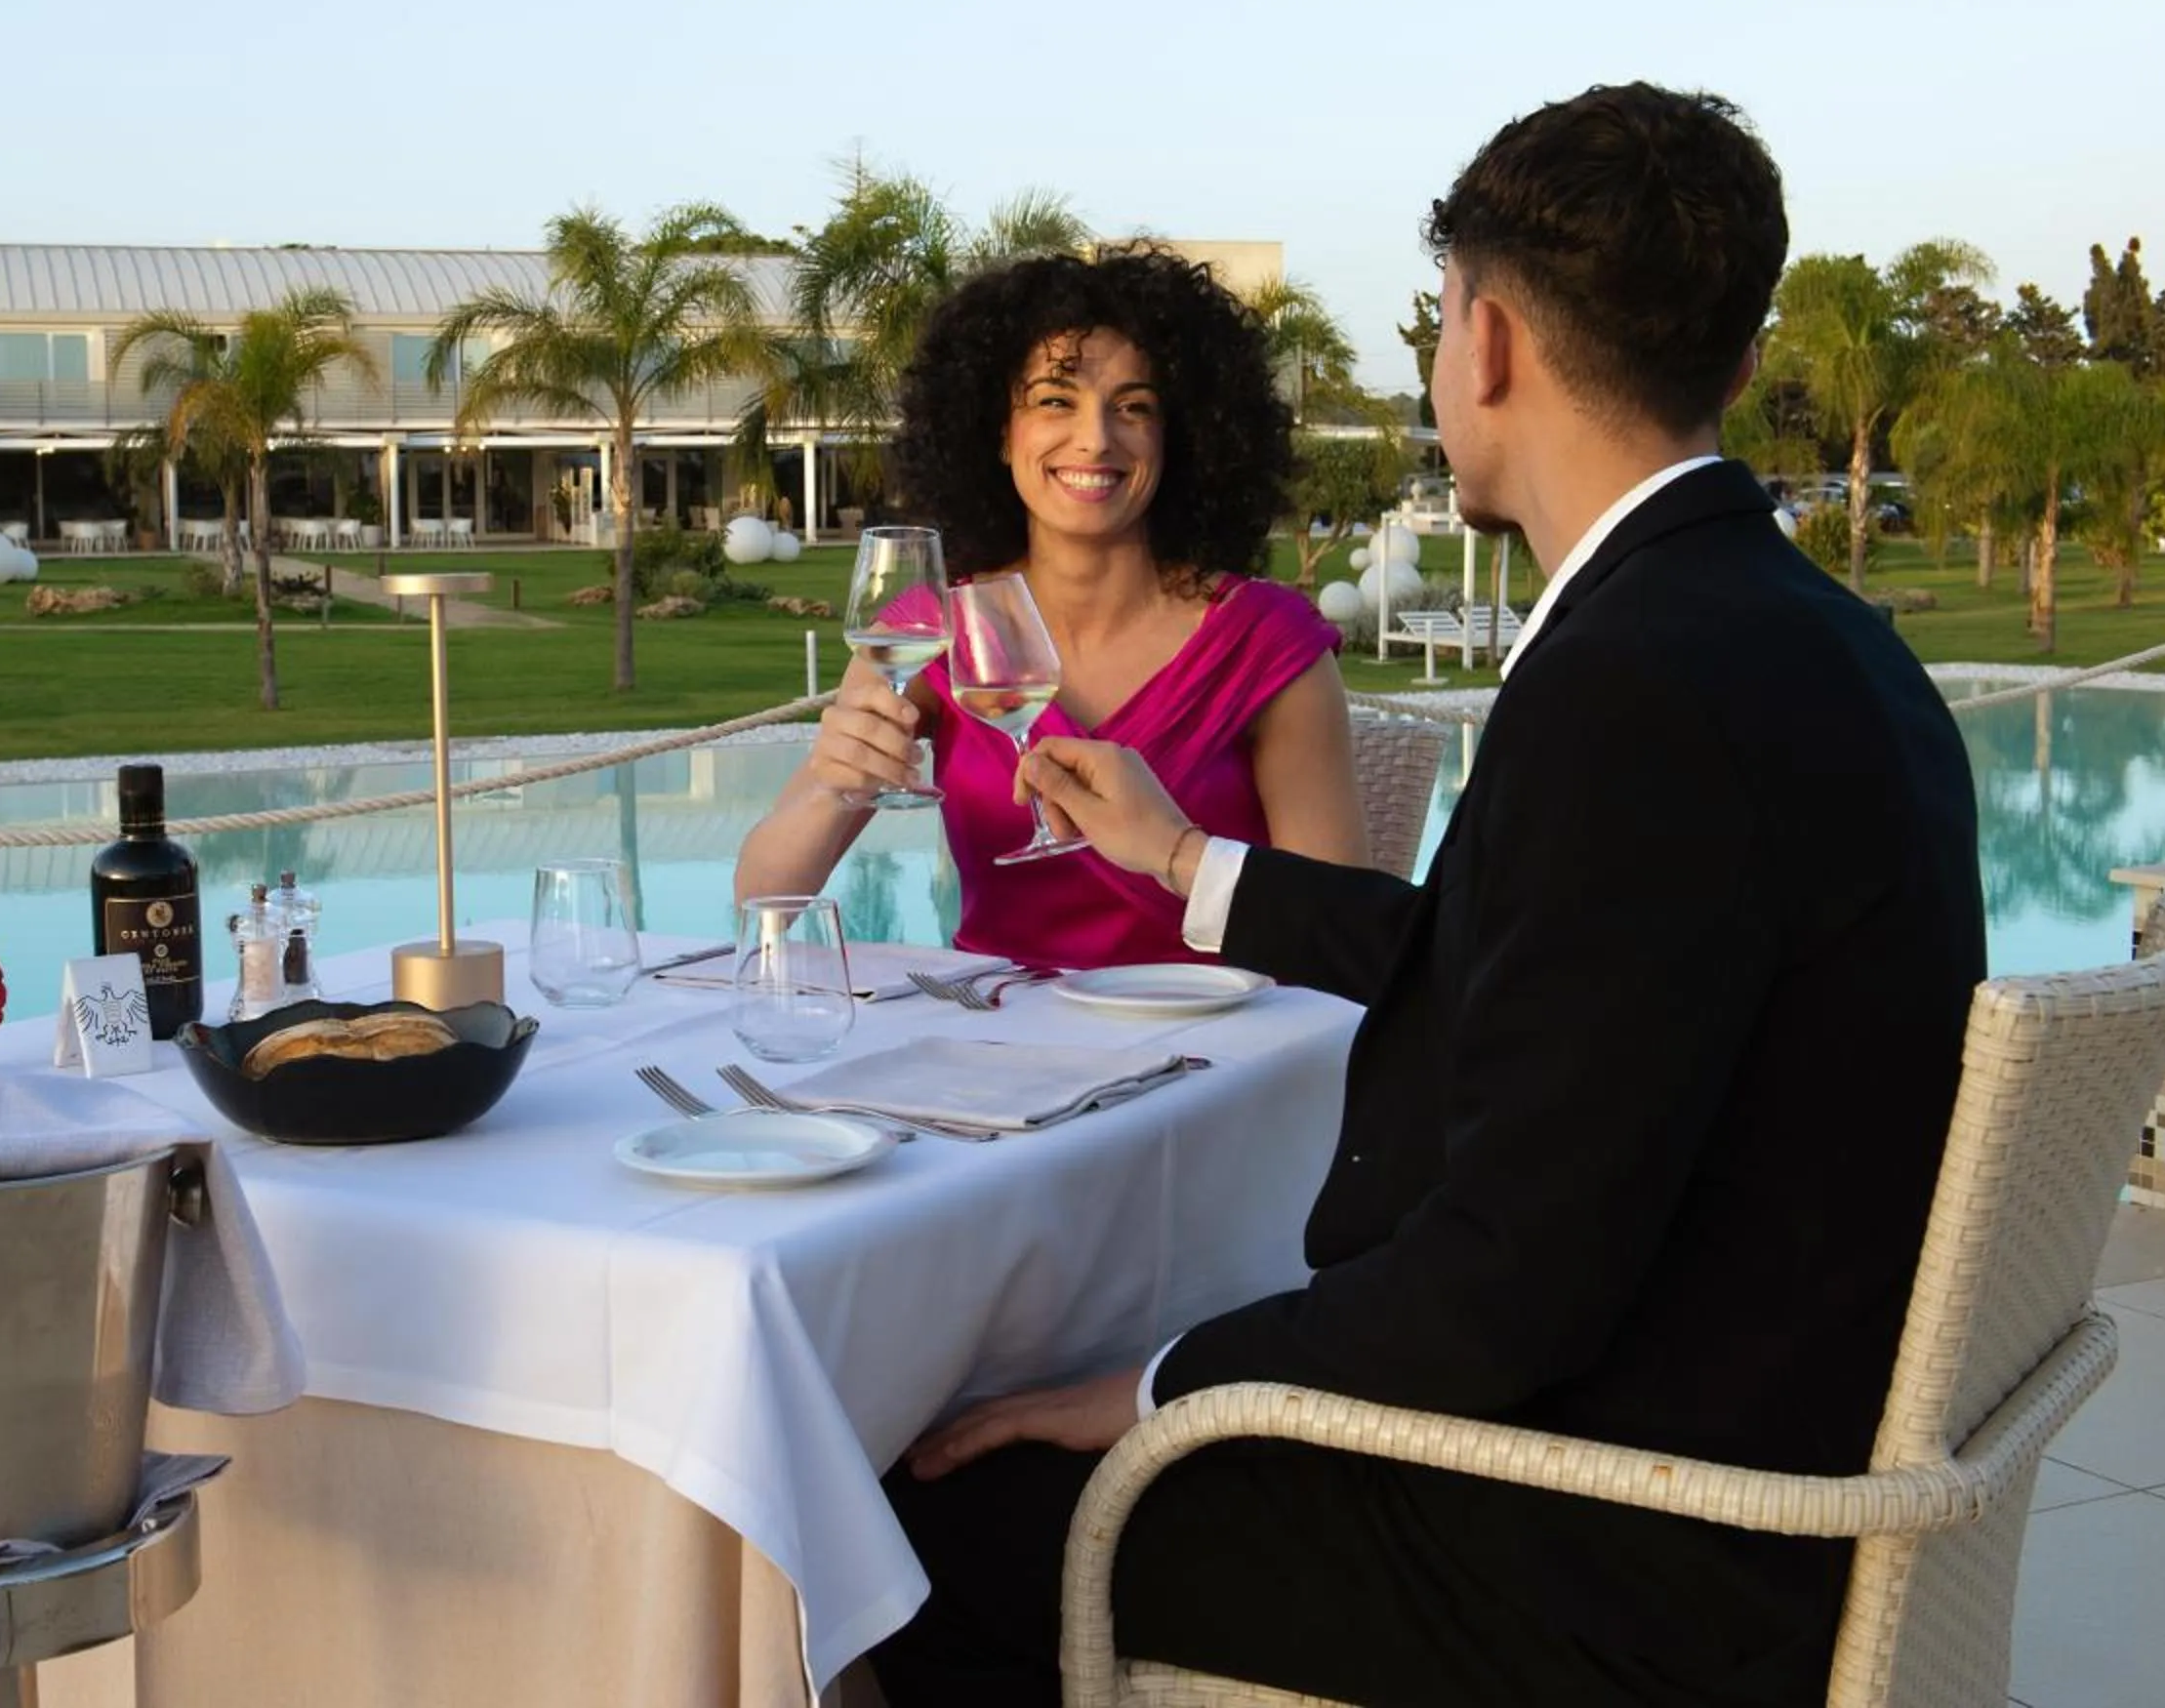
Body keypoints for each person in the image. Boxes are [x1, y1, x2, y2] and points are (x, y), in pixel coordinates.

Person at [866, 85, 1985, 1706]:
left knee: (920, 1510)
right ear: (1741, 366)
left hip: (1621, 1539)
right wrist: (1189, 866)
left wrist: (1158, 1384)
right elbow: (1542, 974)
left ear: (1490, 341)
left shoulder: (1638, 689)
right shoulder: (1811, 641)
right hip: (1736, 1431)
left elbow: (1498, 1294)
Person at [732, 248, 1367, 969]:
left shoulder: (1266, 644)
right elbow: (761, 901)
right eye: (1054, 401)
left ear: (1179, 436)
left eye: (1134, 406)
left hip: (1217, 1052)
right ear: (1000, 432)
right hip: (999, 1048)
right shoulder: (928, 629)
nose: (1096, 438)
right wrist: (831, 788)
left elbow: (1339, 934)